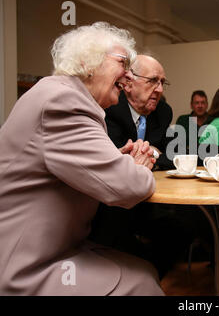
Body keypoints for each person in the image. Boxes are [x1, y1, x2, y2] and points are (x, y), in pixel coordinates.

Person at [0, 22, 163, 295]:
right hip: (22, 265)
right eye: (124, 63)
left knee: (145, 267)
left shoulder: (60, 94)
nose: (128, 76)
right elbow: (129, 187)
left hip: (50, 248)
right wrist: (136, 167)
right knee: (143, 283)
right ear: (89, 63)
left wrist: (115, 159)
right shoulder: (63, 102)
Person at [89, 55, 191, 279]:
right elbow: (116, 159)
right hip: (108, 204)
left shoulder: (163, 112)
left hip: (146, 201)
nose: (159, 89)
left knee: (183, 227)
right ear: (128, 83)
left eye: (163, 82)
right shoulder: (109, 110)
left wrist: (152, 153)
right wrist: (152, 153)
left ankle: (150, 276)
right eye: (153, 80)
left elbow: (165, 157)